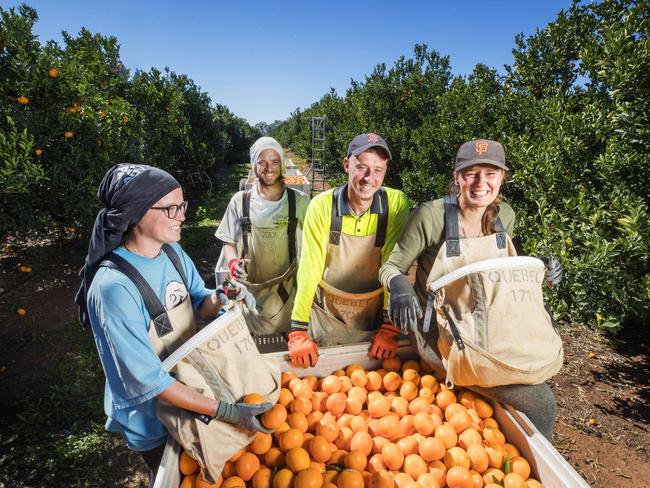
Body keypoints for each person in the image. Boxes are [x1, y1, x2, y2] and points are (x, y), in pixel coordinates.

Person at [75, 164, 271, 484]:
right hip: (153, 422)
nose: (182, 216)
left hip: (193, 396)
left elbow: (198, 305)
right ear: (137, 213)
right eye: (171, 208)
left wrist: (222, 295)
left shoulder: (173, 254)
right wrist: (228, 413)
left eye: (182, 206)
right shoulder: (113, 288)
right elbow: (149, 381)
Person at [378, 139, 563, 441]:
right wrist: (398, 285)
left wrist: (539, 268)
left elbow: (498, 275)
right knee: (541, 402)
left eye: (490, 174)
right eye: (471, 173)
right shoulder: (432, 216)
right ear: (457, 177)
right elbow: (390, 266)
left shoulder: (506, 216)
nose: (481, 183)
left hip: (486, 329)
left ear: (503, 177)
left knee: (534, 363)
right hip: (438, 336)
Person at [288, 133, 410, 367]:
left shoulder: (395, 204)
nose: (369, 178)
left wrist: (389, 325)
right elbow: (310, 268)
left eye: (378, 170)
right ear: (346, 165)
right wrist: (298, 329)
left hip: (373, 310)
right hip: (329, 312)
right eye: (361, 167)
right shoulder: (322, 206)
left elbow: (393, 265)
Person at [216, 137, 310, 335]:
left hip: (287, 290)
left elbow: (316, 241)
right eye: (262, 162)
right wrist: (232, 262)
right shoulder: (240, 201)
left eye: (275, 161)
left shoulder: (299, 202)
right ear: (254, 165)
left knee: (287, 341)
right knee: (252, 341)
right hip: (250, 290)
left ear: (282, 165)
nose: (269, 168)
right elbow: (228, 240)